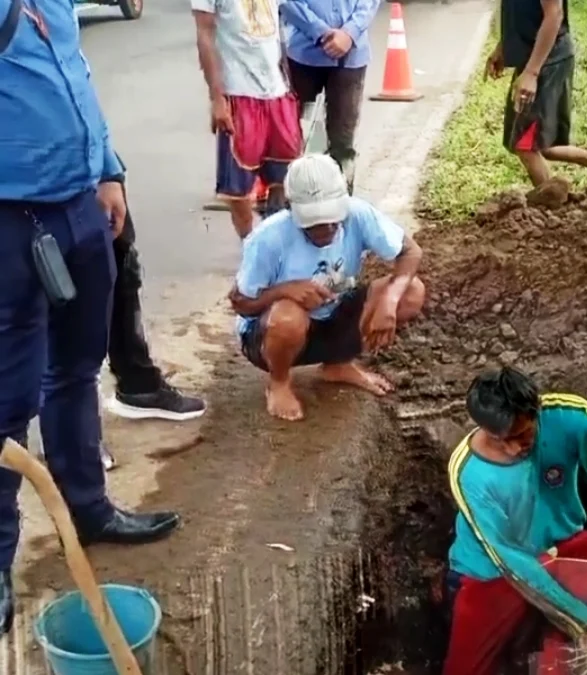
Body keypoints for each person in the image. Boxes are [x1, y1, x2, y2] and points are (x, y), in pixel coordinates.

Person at [0, 0, 180, 634]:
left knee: (77, 368)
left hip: (79, 210)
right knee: (6, 400)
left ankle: (88, 507)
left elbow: (76, 74)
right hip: (9, 220)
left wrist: (109, 171)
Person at [443, 367, 587, 675]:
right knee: (466, 670)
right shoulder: (469, 472)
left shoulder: (570, 416)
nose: (516, 448)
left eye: (524, 434)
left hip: (563, 544)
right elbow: (512, 561)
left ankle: (551, 643)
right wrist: (579, 619)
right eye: (503, 440)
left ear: (536, 410)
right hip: (493, 572)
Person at [228, 154, 425, 421]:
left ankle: (338, 364)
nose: (328, 228)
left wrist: (389, 301)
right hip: (271, 335)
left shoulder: (357, 214)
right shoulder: (269, 238)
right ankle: (279, 382)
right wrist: (284, 291)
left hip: (333, 313)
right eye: (315, 224)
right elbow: (240, 303)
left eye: (334, 219)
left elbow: (410, 252)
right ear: (290, 208)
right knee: (288, 315)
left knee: (411, 291)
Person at [99, 180, 208, 471]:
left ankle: (138, 385)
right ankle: (71, 437)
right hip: (29, 176)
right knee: (57, 296)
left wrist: (108, 173)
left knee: (120, 266)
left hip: (83, 167)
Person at [192, 0, 303, 239]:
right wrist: (217, 98)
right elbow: (204, 34)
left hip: (278, 92)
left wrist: (288, 83)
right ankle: (250, 245)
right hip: (239, 94)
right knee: (238, 190)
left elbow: (280, 26)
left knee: (285, 175)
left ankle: (276, 241)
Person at [484, 0, 587, 197]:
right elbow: (519, 13)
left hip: (548, 60)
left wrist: (532, 72)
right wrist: (503, 47)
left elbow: (554, 15)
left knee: (525, 144)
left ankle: (552, 209)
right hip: (533, 58)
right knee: (535, 143)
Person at [279, 0, 382, 192]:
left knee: (343, 140)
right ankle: (292, 197)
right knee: (291, 135)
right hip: (303, 55)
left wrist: (350, 33)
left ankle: (341, 201)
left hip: (351, 56)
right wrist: (320, 32)